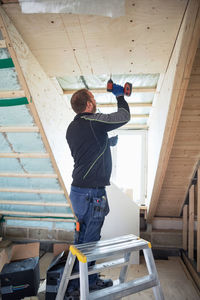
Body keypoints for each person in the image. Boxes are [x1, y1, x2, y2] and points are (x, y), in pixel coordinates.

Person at [65, 83, 130, 298]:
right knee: (90, 242)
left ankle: (76, 283)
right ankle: (88, 284)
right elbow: (123, 117)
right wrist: (120, 96)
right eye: (94, 99)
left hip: (77, 193)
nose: (96, 102)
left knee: (80, 240)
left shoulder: (72, 127)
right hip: (93, 194)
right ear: (89, 103)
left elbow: (87, 149)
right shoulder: (93, 120)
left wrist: (107, 141)